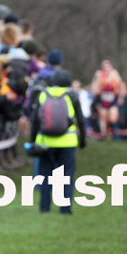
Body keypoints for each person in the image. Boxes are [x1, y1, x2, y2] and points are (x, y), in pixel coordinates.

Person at [30, 70, 86, 214]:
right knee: (66, 176)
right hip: (67, 142)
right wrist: (82, 140)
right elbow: (80, 119)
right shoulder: (72, 95)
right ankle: (65, 208)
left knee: (45, 175)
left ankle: (44, 207)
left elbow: (35, 120)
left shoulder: (43, 94)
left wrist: (32, 140)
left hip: (45, 142)